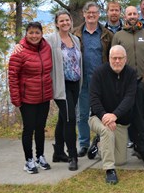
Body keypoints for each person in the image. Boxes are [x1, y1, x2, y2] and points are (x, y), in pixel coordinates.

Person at [8, 22, 53, 174]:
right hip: (27, 98)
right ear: (26, 34)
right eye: (31, 33)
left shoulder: (47, 47)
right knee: (29, 129)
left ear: (42, 34)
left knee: (40, 128)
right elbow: (12, 76)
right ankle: (29, 160)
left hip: (44, 96)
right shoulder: (19, 51)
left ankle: (40, 156)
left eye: (37, 33)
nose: (34, 36)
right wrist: (16, 99)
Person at [89, 45, 137, 184]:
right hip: (98, 117)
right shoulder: (99, 73)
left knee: (121, 160)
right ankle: (109, 170)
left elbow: (129, 98)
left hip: (120, 121)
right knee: (106, 132)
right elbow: (94, 99)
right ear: (109, 58)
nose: (117, 61)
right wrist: (105, 116)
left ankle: (98, 145)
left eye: (120, 58)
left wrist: (114, 115)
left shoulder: (131, 73)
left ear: (125, 59)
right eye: (114, 58)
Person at [72, 1, 114, 158]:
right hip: (83, 81)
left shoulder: (107, 34)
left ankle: (99, 142)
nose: (91, 15)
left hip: (102, 82)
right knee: (82, 114)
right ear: (84, 14)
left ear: (98, 14)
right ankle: (83, 143)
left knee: (101, 113)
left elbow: (113, 57)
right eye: (88, 12)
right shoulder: (75, 33)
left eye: (94, 12)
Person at [47, 10, 82, 171]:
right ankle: (72, 156)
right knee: (70, 119)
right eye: (61, 21)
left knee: (63, 118)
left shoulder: (75, 39)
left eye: (67, 20)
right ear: (56, 23)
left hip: (75, 84)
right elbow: (32, 41)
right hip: (62, 85)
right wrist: (19, 47)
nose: (65, 23)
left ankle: (58, 152)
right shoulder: (51, 40)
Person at [112, 6, 144, 78]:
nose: (132, 16)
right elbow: (113, 59)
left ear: (138, 16)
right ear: (125, 17)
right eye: (129, 14)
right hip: (125, 78)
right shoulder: (118, 36)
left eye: (134, 14)